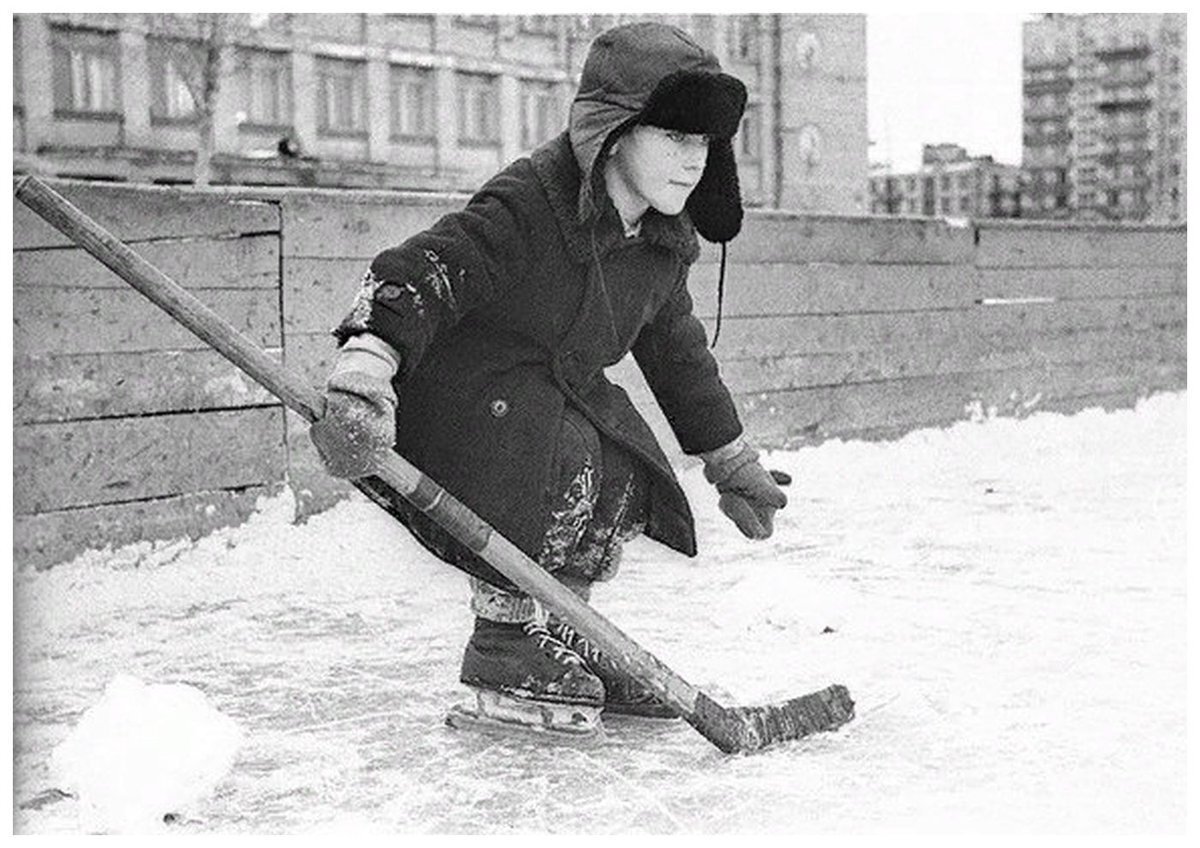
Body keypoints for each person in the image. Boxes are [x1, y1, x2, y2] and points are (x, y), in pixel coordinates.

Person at [310, 21, 787, 736]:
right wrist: (366, 367)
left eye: (704, 144)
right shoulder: (532, 200)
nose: (693, 162)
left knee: (623, 462)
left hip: (548, 395)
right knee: (550, 442)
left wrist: (731, 460)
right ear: (615, 132)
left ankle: (567, 631)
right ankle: (503, 639)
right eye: (675, 137)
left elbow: (679, 355)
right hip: (458, 400)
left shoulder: (661, 241)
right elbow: (427, 269)